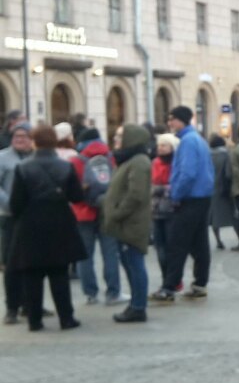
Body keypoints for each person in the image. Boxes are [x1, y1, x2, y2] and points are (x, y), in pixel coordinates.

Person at [8, 125, 86, 331]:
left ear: (34, 142)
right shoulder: (66, 166)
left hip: (30, 226)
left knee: (32, 276)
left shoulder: (23, 167)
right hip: (59, 224)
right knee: (59, 274)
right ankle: (66, 318)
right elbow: (76, 197)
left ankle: (34, 321)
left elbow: (15, 203)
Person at [151, 106, 214, 302]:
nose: (170, 123)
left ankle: (169, 287)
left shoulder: (187, 142)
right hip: (202, 197)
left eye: (173, 119)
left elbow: (187, 173)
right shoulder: (198, 139)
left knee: (177, 244)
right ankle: (200, 284)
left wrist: (175, 195)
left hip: (189, 198)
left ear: (182, 120)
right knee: (199, 242)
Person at [101, 124, 153, 323]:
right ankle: (136, 304)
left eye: (121, 136)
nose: (116, 138)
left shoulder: (138, 161)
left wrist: (116, 212)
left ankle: (138, 307)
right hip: (125, 223)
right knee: (130, 263)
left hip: (131, 223)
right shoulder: (128, 159)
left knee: (135, 264)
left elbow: (136, 194)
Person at [70, 128, 124, 306]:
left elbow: (72, 189)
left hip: (83, 212)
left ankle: (90, 294)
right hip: (107, 210)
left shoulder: (76, 161)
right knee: (110, 253)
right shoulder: (111, 157)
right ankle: (113, 293)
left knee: (85, 255)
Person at [0, 123, 33, 324]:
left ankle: (30, 305)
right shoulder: (3, 157)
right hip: (9, 216)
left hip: (32, 217)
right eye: (16, 136)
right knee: (11, 264)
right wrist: (10, 203)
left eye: (24, 136)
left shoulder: (36, 158)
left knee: (31, 263)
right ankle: (12, 307)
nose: (19, 139)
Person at [151, 133, 179, 291]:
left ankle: (173, 280)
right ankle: (166, 279)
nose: (160, 148)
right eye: (159, 145)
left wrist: (160, 189)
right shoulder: (154, 162)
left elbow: (176, 186)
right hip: (156, 210)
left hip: (172, 210)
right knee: (159, 247)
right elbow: (150, 185)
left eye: (164, 145)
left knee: (171, 247)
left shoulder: (176, 162)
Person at [208, 135, 234, 250]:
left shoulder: (207, 155)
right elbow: (229, 173)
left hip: (210, 189)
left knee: (214, 217)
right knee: (232, 214)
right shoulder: (226, 155)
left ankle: (218, 240)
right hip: (223, 189)